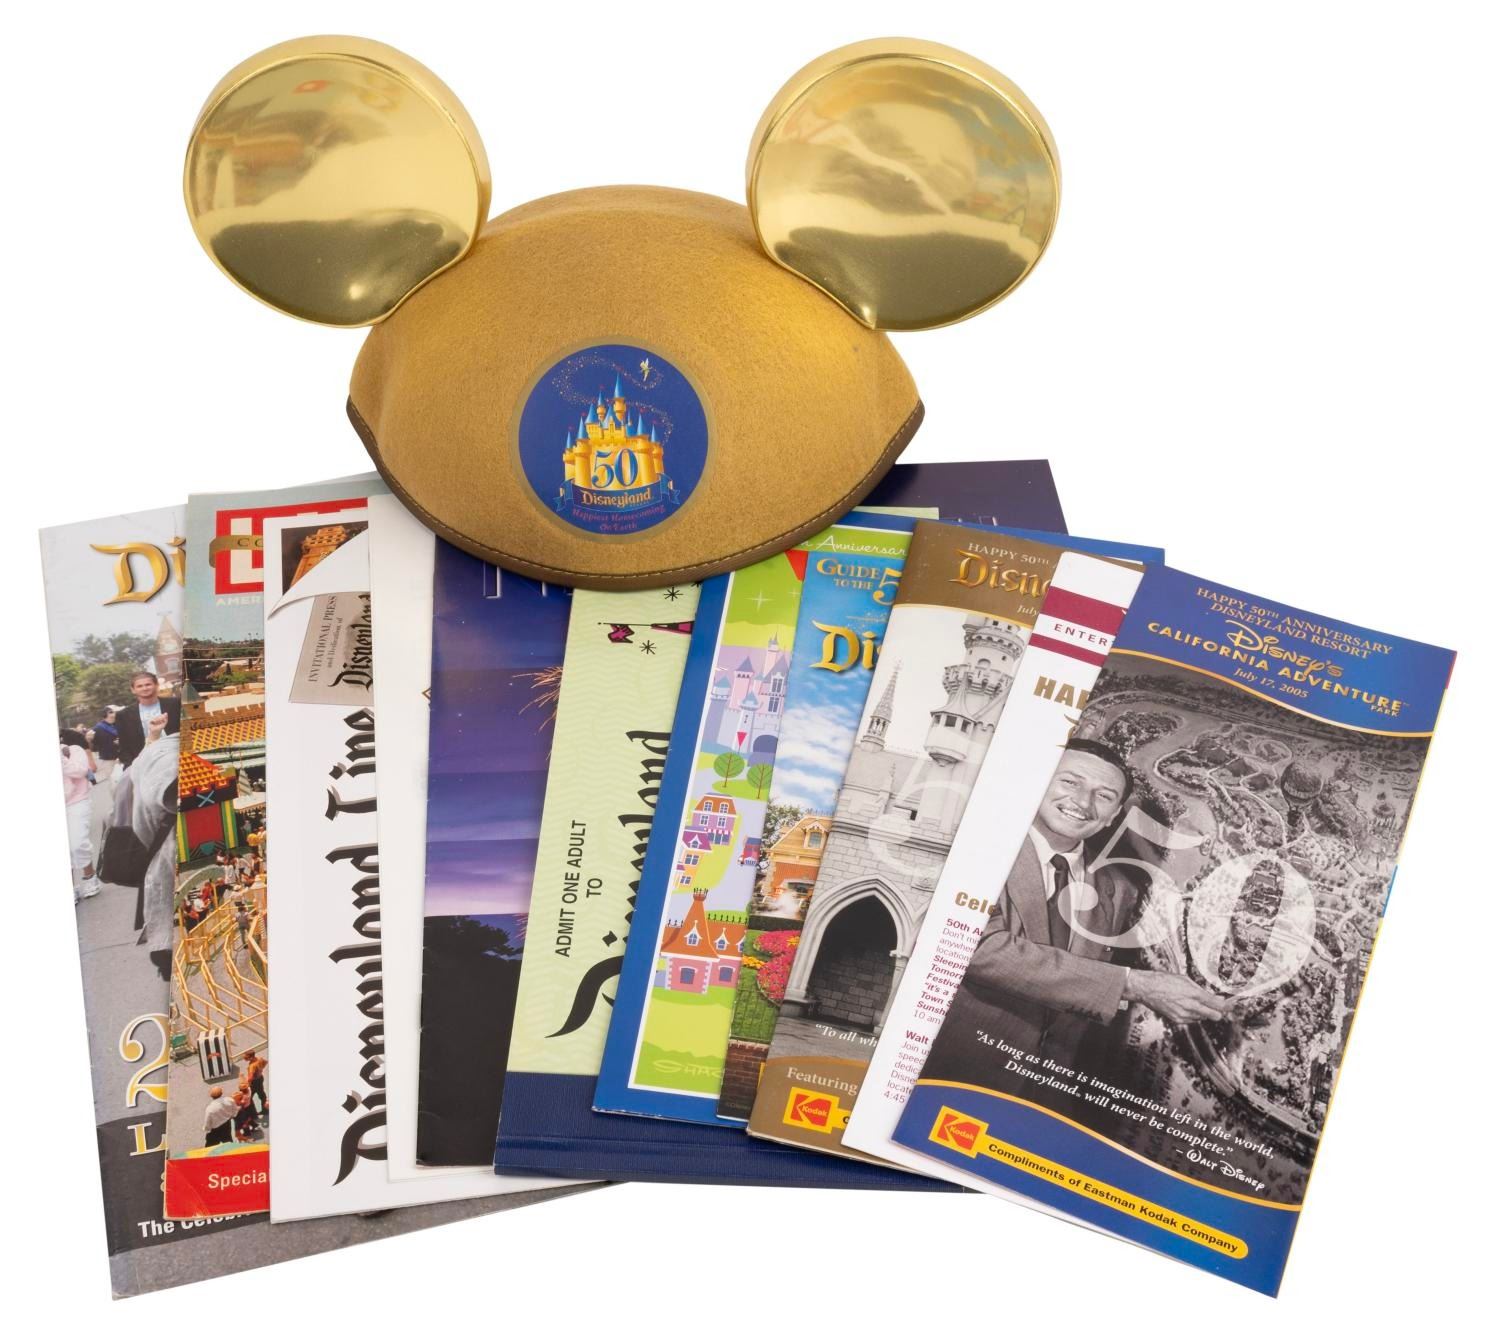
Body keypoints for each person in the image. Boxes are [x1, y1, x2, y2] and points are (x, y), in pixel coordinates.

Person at [925, 739, 1227, 1087]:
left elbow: (1079, 989)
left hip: (1042, 1093)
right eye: (1070, 782)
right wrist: (1133, 985)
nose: (1083, 802)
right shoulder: (979, 847)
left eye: (1104, 796)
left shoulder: (1119, 889)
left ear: (1113, 815)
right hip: (949, 1072)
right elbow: (975, 947)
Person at [60, 729, 100, 900]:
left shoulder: (72, 750)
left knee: (77, 843)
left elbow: (81, 771)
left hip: (77, 800)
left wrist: (60, 758)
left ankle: (90, 876)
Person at [115, 670, 181, 770]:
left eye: (148, 684)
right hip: (146, 765)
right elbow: (124, 746)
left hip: (176, 759)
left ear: (156, 685)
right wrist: (132, 767)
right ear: (133, 690)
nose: (144, 688)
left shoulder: (176, 704)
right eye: (139, 686)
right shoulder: (123, 715)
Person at [244, 1049, 269, 1125]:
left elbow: (250, 1077)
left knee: (249, 1098)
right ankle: (265, 1110)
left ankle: (253, 1114)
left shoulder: (252, 1066)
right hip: (260, 1078)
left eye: (246, 1057)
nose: (245, 1058)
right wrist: (260, 1070)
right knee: (262, 1094)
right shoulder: (259, 1059)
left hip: (254, 1082)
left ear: (251, 1057)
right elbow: (265, 1062)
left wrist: (247, 1083)